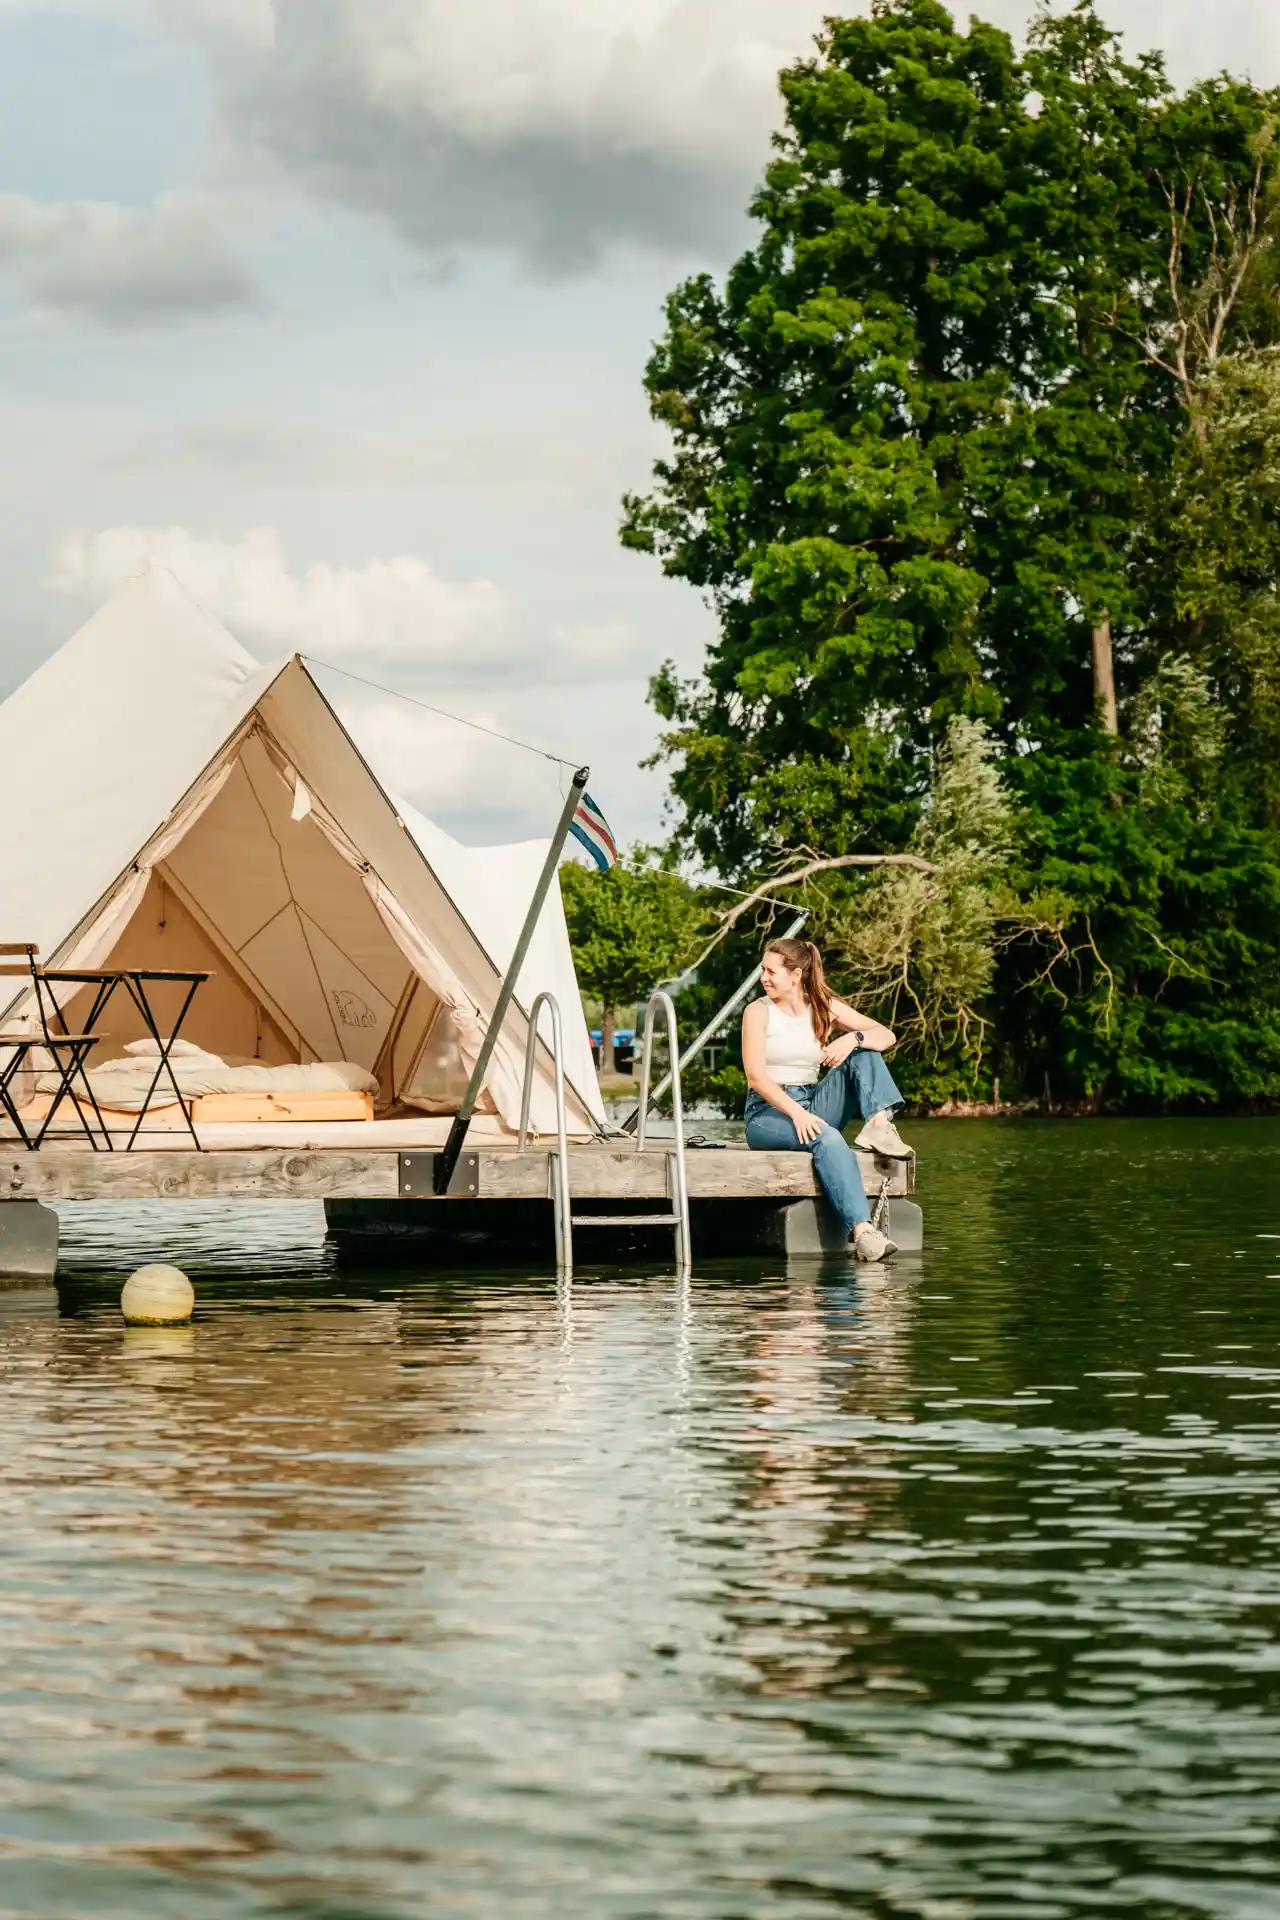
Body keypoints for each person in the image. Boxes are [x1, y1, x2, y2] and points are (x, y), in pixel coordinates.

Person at [741, 937, 913, 1263]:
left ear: (795, 975)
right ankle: (863, 1233)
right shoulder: (758, 1012)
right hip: (768, 1112)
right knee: (829, 1138)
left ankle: (878, 1123)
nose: (764, 977)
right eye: (763, 970)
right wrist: (797, 1115)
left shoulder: (822, 1005)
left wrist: (853, 1037)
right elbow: (756, 1077)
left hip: (813, 1099)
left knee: (863, 1054)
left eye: (771, 971)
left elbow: (886, 1035)